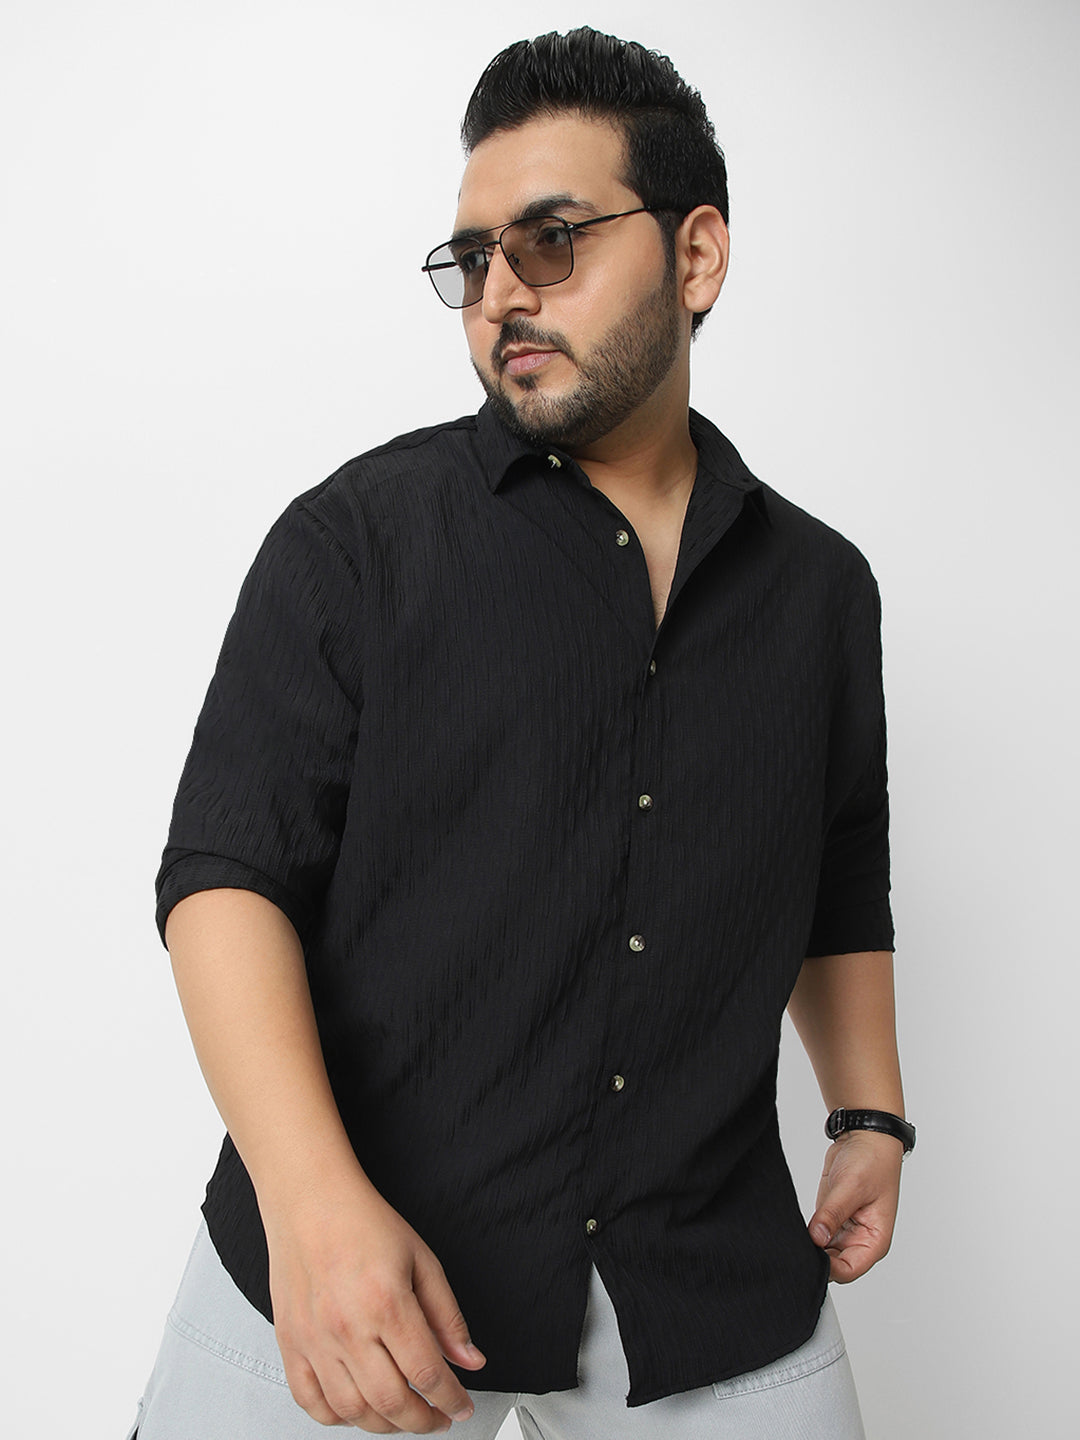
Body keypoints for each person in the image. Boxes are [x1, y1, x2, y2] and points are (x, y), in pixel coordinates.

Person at [128, 26, 913, 1440]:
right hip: (357, 1268)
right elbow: (225, 879)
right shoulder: (357, 540)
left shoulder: (820, 590)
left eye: (551, 241)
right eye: (473, 259)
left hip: (700, 1275)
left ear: (696, 256)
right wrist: (312, 1214)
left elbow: (839, 860)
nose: (500, 294)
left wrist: (868, 1110)